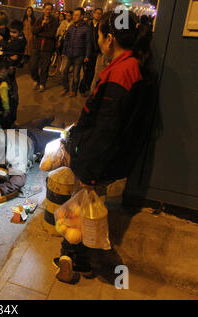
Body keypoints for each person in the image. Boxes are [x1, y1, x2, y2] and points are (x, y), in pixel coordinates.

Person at [54, 10, 158, 284]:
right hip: (110, 157)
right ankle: (86, 261)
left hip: (97, 158)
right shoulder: (135, 65)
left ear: (109, 39)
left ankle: (71, 257)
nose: (99, 41)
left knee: (79, 211)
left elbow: (106, 128)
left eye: (100, 36)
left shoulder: (121, 72)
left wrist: (87, 166)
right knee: (91, 210)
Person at [0, 20, 27, 127]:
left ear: (20, 32)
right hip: (9, 70)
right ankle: (9, 119)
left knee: (12, 95)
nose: (12, 34)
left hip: (10, 70)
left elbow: (11, 49)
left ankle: (10, 120)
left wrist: (2, 46)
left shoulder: (19, 41)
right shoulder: (17, 38)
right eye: (11, 32)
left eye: (14, 32)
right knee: (9, 94)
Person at [60, 8, 92, 98]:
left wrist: (87, 55)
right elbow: (66, 40)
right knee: (63, 72)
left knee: (75, 75)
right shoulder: (71, 27)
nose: (74, 17)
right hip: (68, 53)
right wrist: (63, 51)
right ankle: (65, 88)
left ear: (82, 16)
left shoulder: (86, 28)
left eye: (77, 15)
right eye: (74, 15)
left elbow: (88, 43)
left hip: (79, 55)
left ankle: (74, 90)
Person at [29, 2, 59, 92]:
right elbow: (34, 31)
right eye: (46, 9)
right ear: (43, 10)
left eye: (50, 9)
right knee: (32, 65)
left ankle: (42, 83)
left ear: (52, 11)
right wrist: (42, 25)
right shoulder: (38, 20)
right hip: (36, 47)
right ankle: (37, 80)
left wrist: (40, 32)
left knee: (44, 67)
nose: (48, 11)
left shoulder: (54, 22)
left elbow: (51, 34)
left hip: (47, 48)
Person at [79, 8, 103, 95]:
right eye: (97, 13)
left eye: (100, 13)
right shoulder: (87, 23)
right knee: (85, 69)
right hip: (86, 49)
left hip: (95, 51)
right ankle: (83, 86)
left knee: (92, 70)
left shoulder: (101, 26)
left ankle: (87, 86)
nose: (98, 15)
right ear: (93, 14)